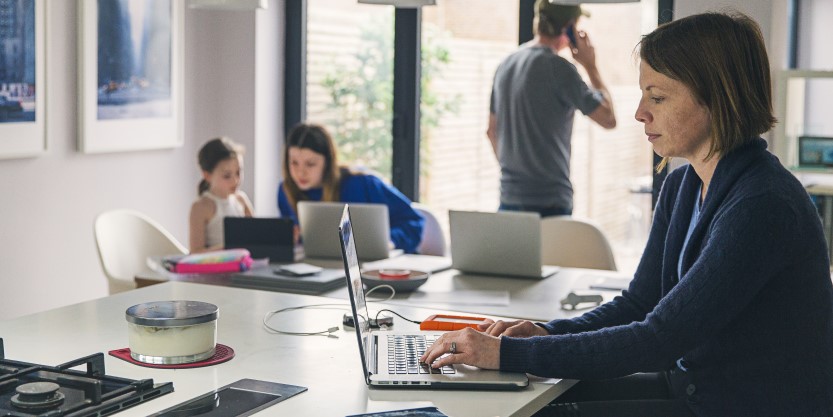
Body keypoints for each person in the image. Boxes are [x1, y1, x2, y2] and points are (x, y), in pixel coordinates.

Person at [422, 11, 833, 417]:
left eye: (657, 97)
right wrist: (546, 331)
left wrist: (508, 352)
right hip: (695, 388)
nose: (640, 113)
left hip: (741, 405)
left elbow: (658, 338)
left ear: (717, 97)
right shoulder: (683, 186)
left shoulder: (763, 205)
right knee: (522, 399)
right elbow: (639, 304)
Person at [488, 0, 616, 217]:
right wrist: (590, 66)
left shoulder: (506, 64)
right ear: (569, 28)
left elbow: (492, 132)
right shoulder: (560, 69)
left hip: (508, 198)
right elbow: (608, 118)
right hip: (550, 204)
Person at [278, 123, 425, 254]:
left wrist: (389, 242)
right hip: (320, 269)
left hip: (375, 268)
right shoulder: (285, 191)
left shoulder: (362, 183)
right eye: (294, 163)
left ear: (328, 163)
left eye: (310, 164)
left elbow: (414, 222)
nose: (300, 172)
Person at [189, 137, 254, 253]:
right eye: (227, 176)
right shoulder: (201, 207)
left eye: (239, 172)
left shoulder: (241, 200)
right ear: (207, 176)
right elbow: (195, 252)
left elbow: (257, 235)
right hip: (215, 268)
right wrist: (229, 247)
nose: (236, 180)